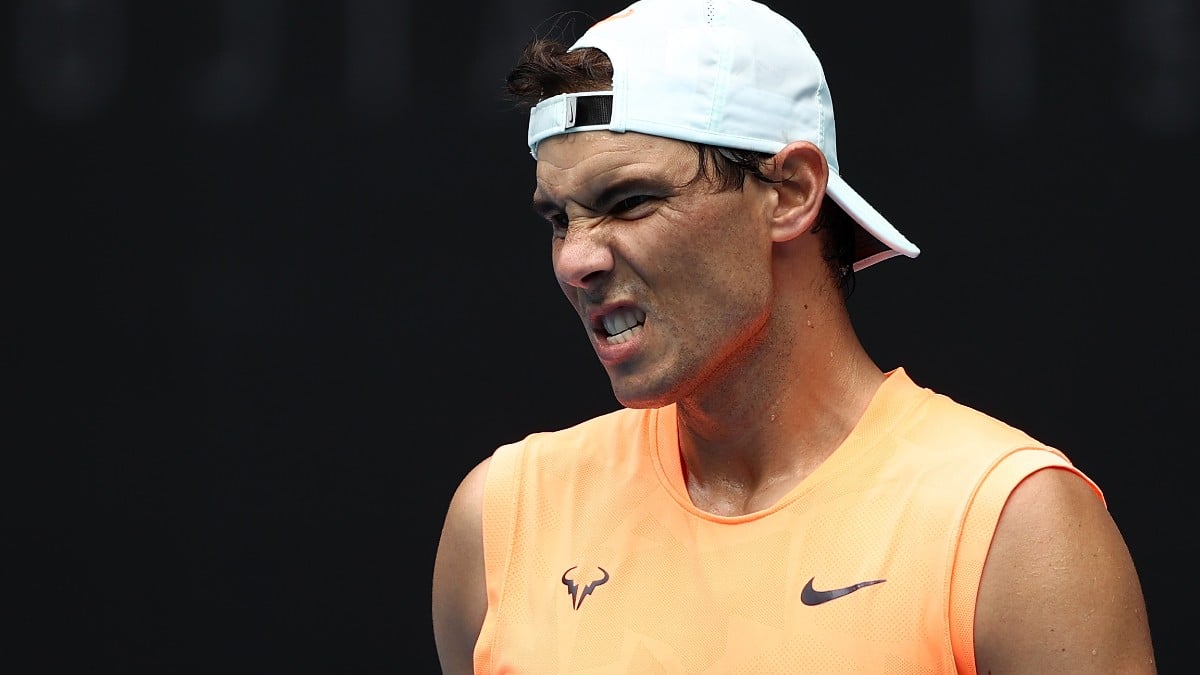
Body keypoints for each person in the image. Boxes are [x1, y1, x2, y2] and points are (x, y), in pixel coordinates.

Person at [431, 0, 1157, 672]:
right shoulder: (500, 522)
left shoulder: (1018, 533)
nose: (575, 259)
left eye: (630, 201)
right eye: (560, 218)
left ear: (791, 193)